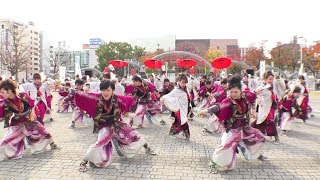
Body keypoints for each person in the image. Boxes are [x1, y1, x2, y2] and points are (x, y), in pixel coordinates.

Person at [76, 80, 156, 172]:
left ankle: (147, 147)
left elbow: (129, 100)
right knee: (100, 142)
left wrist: (127, 109)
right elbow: (83, 95)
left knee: (133, 134)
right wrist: (82, 89)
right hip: (104, 125)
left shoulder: (118, 99)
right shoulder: (96, 98)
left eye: (108, 90)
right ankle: (84, 161)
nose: (105, 93)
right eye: (103, 90)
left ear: (113, 90)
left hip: (116, 124)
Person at [199, 75, 265, 174]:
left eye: (236, 92)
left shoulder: (245, 95)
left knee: (257, 138)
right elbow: (219, 106)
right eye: (231, 92)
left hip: (244, 127)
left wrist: (254, 107)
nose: (233, 94)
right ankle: (216, 163)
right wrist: (207, 110)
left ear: (240, 91)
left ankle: (255, 154)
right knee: (225, 145)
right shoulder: (228, 101)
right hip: (231, 128)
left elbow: (253, 95)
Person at [0, 79, 58, 161]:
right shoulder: (5, 102)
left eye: (2, 92)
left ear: (9, 91)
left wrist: (33, 113)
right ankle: (11, 152)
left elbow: (32, 105)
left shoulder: (22, 95)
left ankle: (52, 144)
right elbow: (4, 114)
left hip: (29, 118)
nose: (1, 94)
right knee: (6, 141)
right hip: (17, 122)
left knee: (43, 132)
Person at [161, 74, 191, 142]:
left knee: (180, 120)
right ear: (179, 81)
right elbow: (169, 95)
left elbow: (188, 96)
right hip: (179, 108)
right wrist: (162, 98)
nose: (184, 84)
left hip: (186, 107)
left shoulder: (186, 88)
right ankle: (187, 135)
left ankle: (175, 132)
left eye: (185, 82)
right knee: (182, 121)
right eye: (182, 82)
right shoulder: (176, 90)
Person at [252, 71, 279, 144]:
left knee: (271, 121)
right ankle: (257, 135)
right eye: (270, 79)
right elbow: (255, 92)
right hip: (263, 106)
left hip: (271, 106)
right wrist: (256, 91)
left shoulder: (272, 86)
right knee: (260, 121)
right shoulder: (261, 86)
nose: (271, 81)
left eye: (272, 79)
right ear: (265, 79)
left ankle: (276, 138)